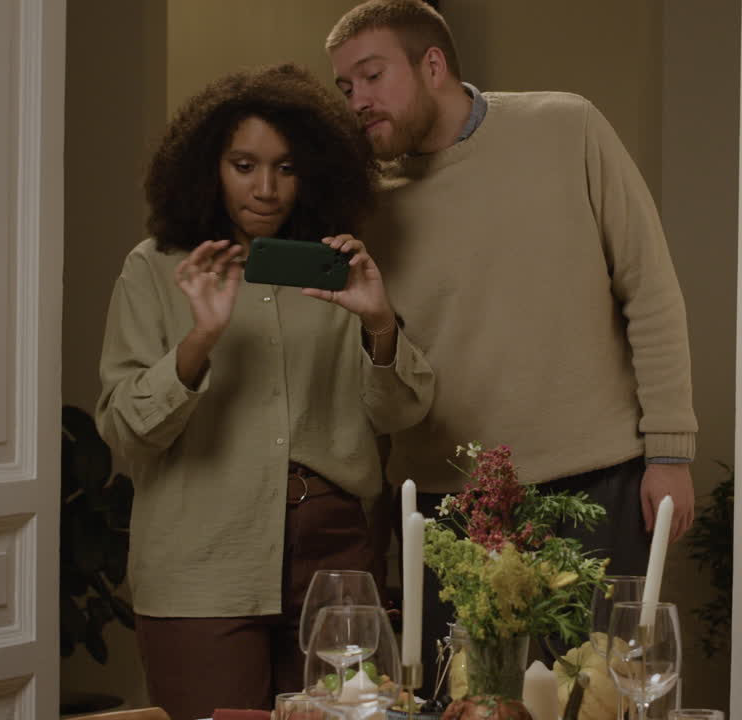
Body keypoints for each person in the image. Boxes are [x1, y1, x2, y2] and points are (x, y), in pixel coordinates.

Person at [325, 0, 698, 679]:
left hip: (598, 483)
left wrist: (670, 451)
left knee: (601, 696)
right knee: (465, 699)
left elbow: (649, 290)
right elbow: (379, 382)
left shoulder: (567, 126)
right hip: (446, 504)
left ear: (433, 64)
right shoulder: (364, 204)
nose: (358, 100)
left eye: (372, 76)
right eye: (345, 87)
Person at [95, 63, 434, 720]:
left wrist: (379, 323)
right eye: (244, 165)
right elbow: (126, 432)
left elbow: (402, 411)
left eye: (286, 167)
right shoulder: (154, 269)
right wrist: (201, 337)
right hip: (203, 561)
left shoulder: (340, 268)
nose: (267, 188)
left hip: (335, 556)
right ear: (208, 167)